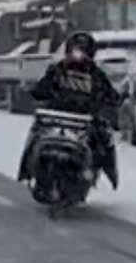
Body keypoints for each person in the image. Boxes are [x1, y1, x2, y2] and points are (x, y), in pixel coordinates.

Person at [16, 31, 120, 190]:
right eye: (75, 51)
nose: (78, 57)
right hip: (56, 117)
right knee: (35, 132)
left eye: (83, 51)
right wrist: (33, 93)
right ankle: (28, 169)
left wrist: (109, 106)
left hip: (85, 120)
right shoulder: (57, 70)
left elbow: (109, 96)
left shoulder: (96, 75)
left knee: (104, 138)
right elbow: (42, 89)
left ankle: (102, 171)